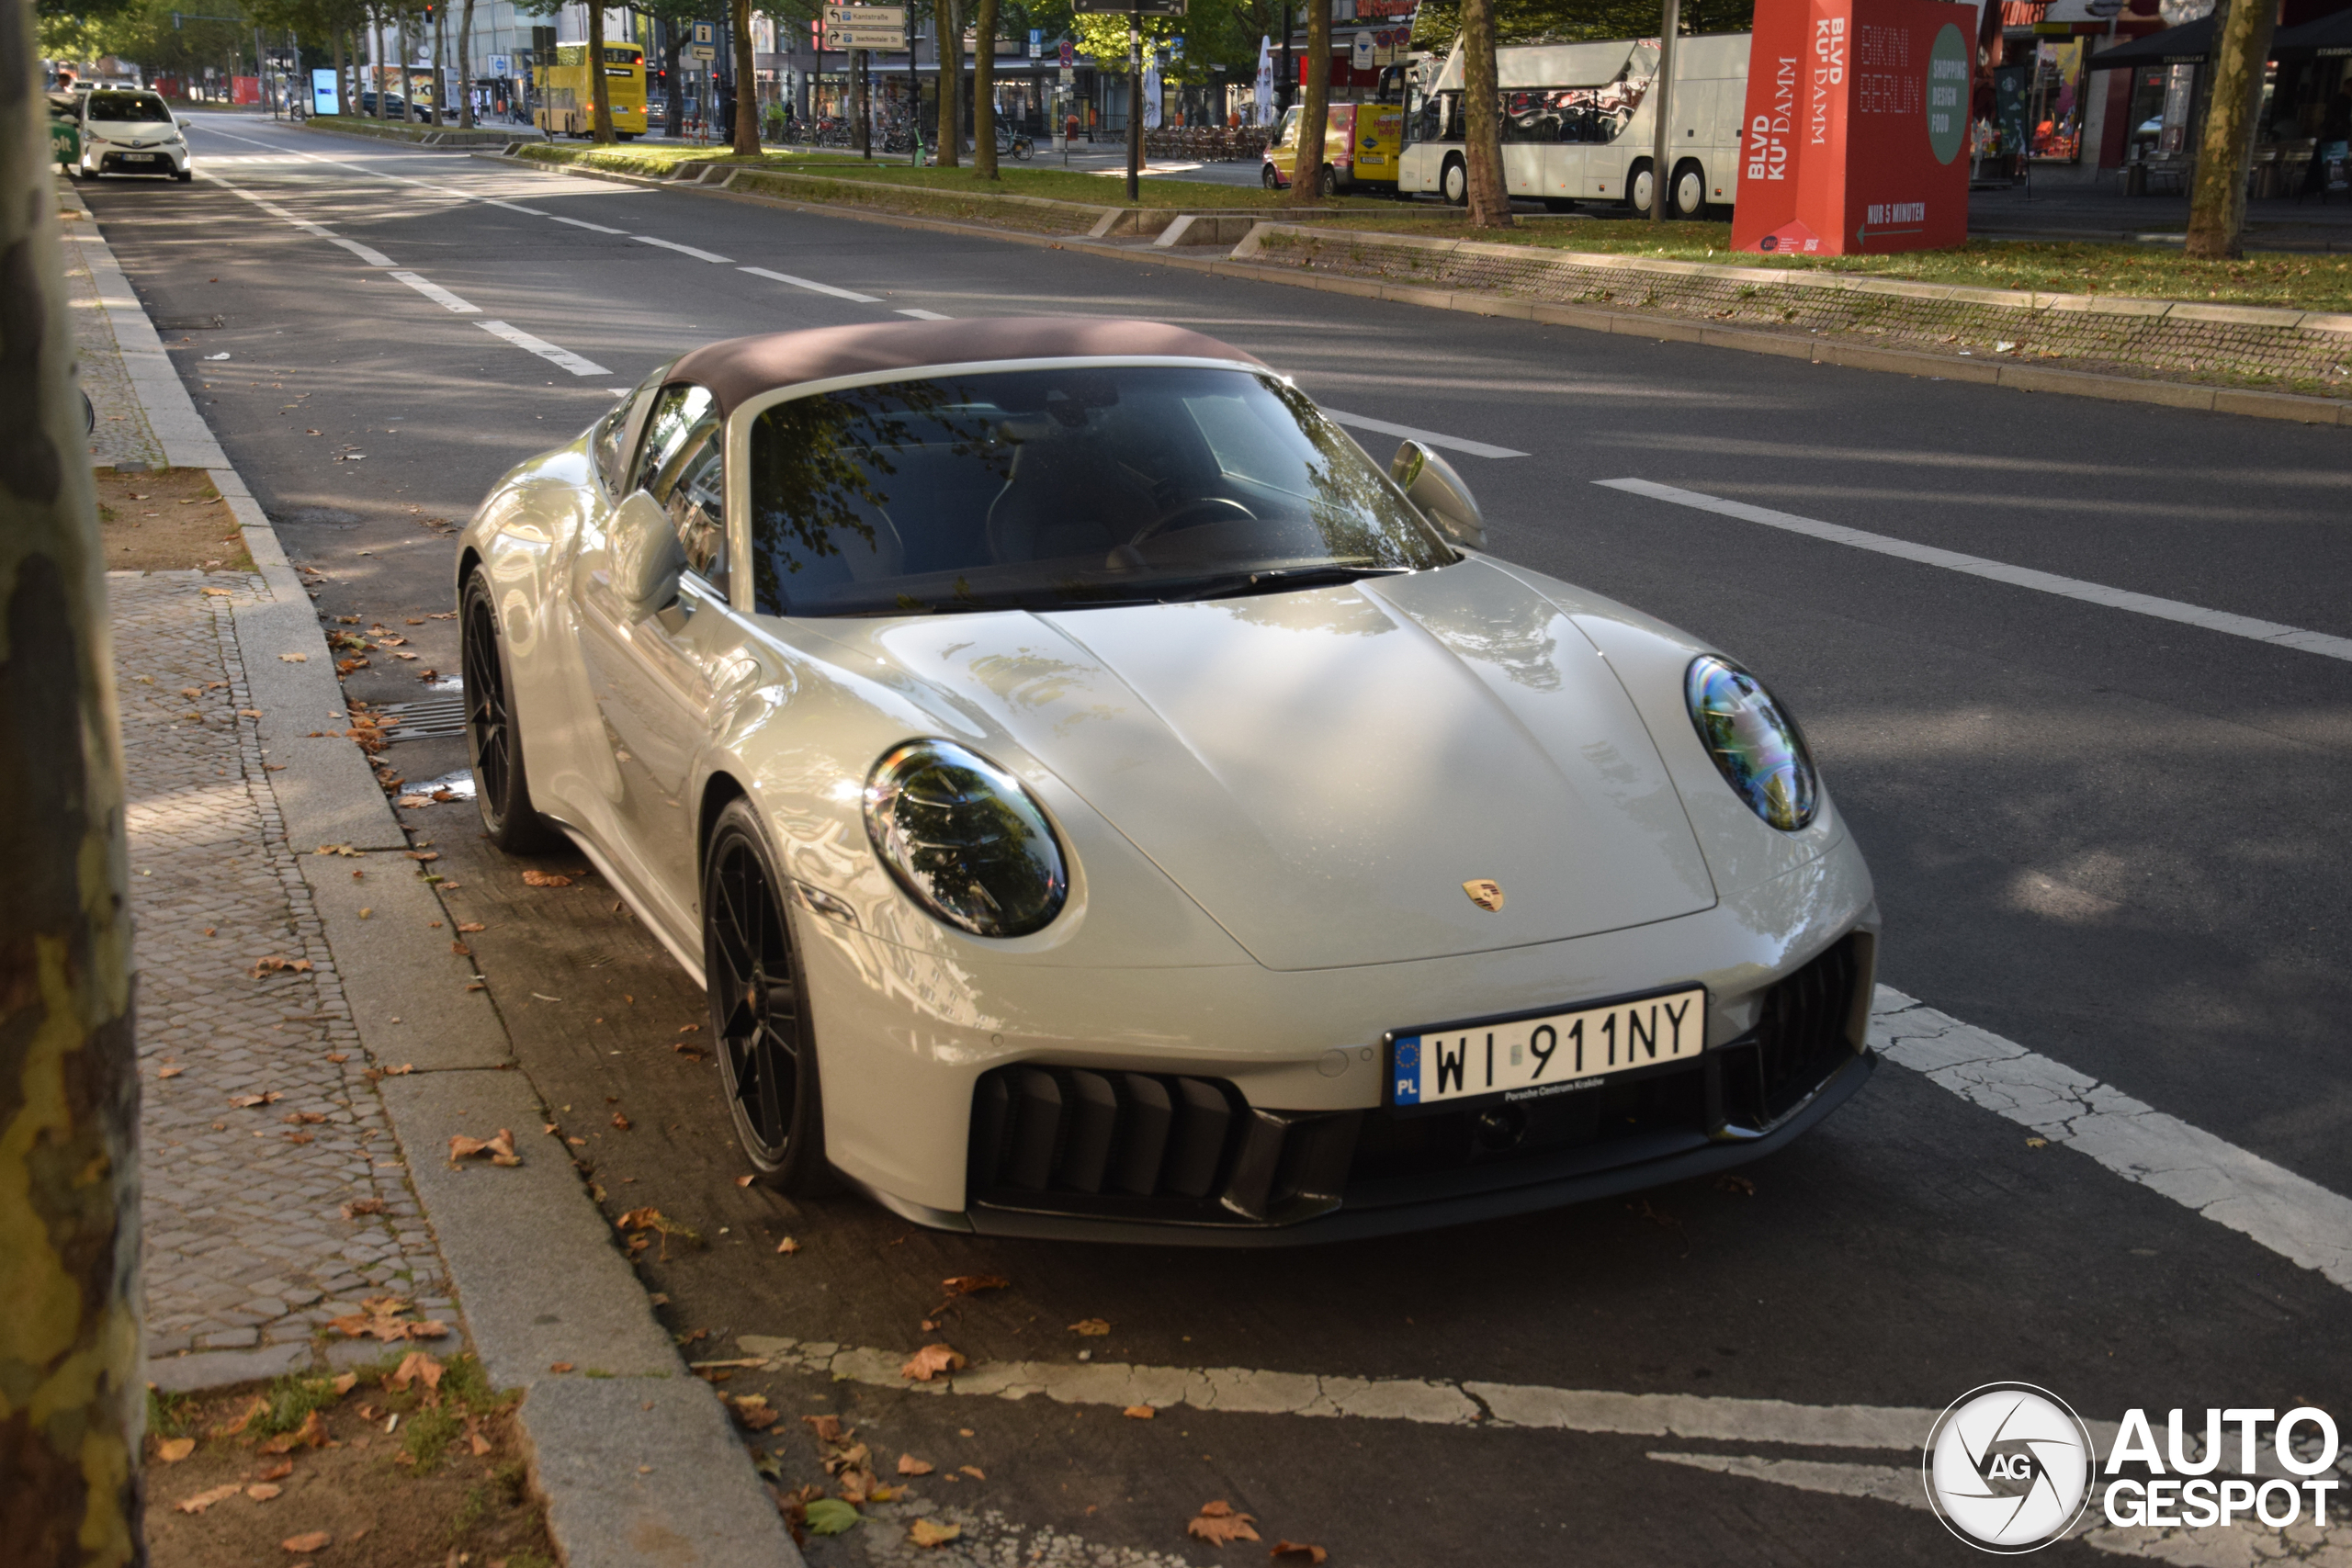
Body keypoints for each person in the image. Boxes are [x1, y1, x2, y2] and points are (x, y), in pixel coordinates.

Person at [2303, 85, 2352, 200]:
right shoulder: (2342, 101)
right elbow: (2338, 118)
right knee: (2331, 163)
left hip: (2333, 134)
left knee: (2328, 164)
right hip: (2335, 135)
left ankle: (2326, 187)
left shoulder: (2340, 101)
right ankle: (2329, 186)